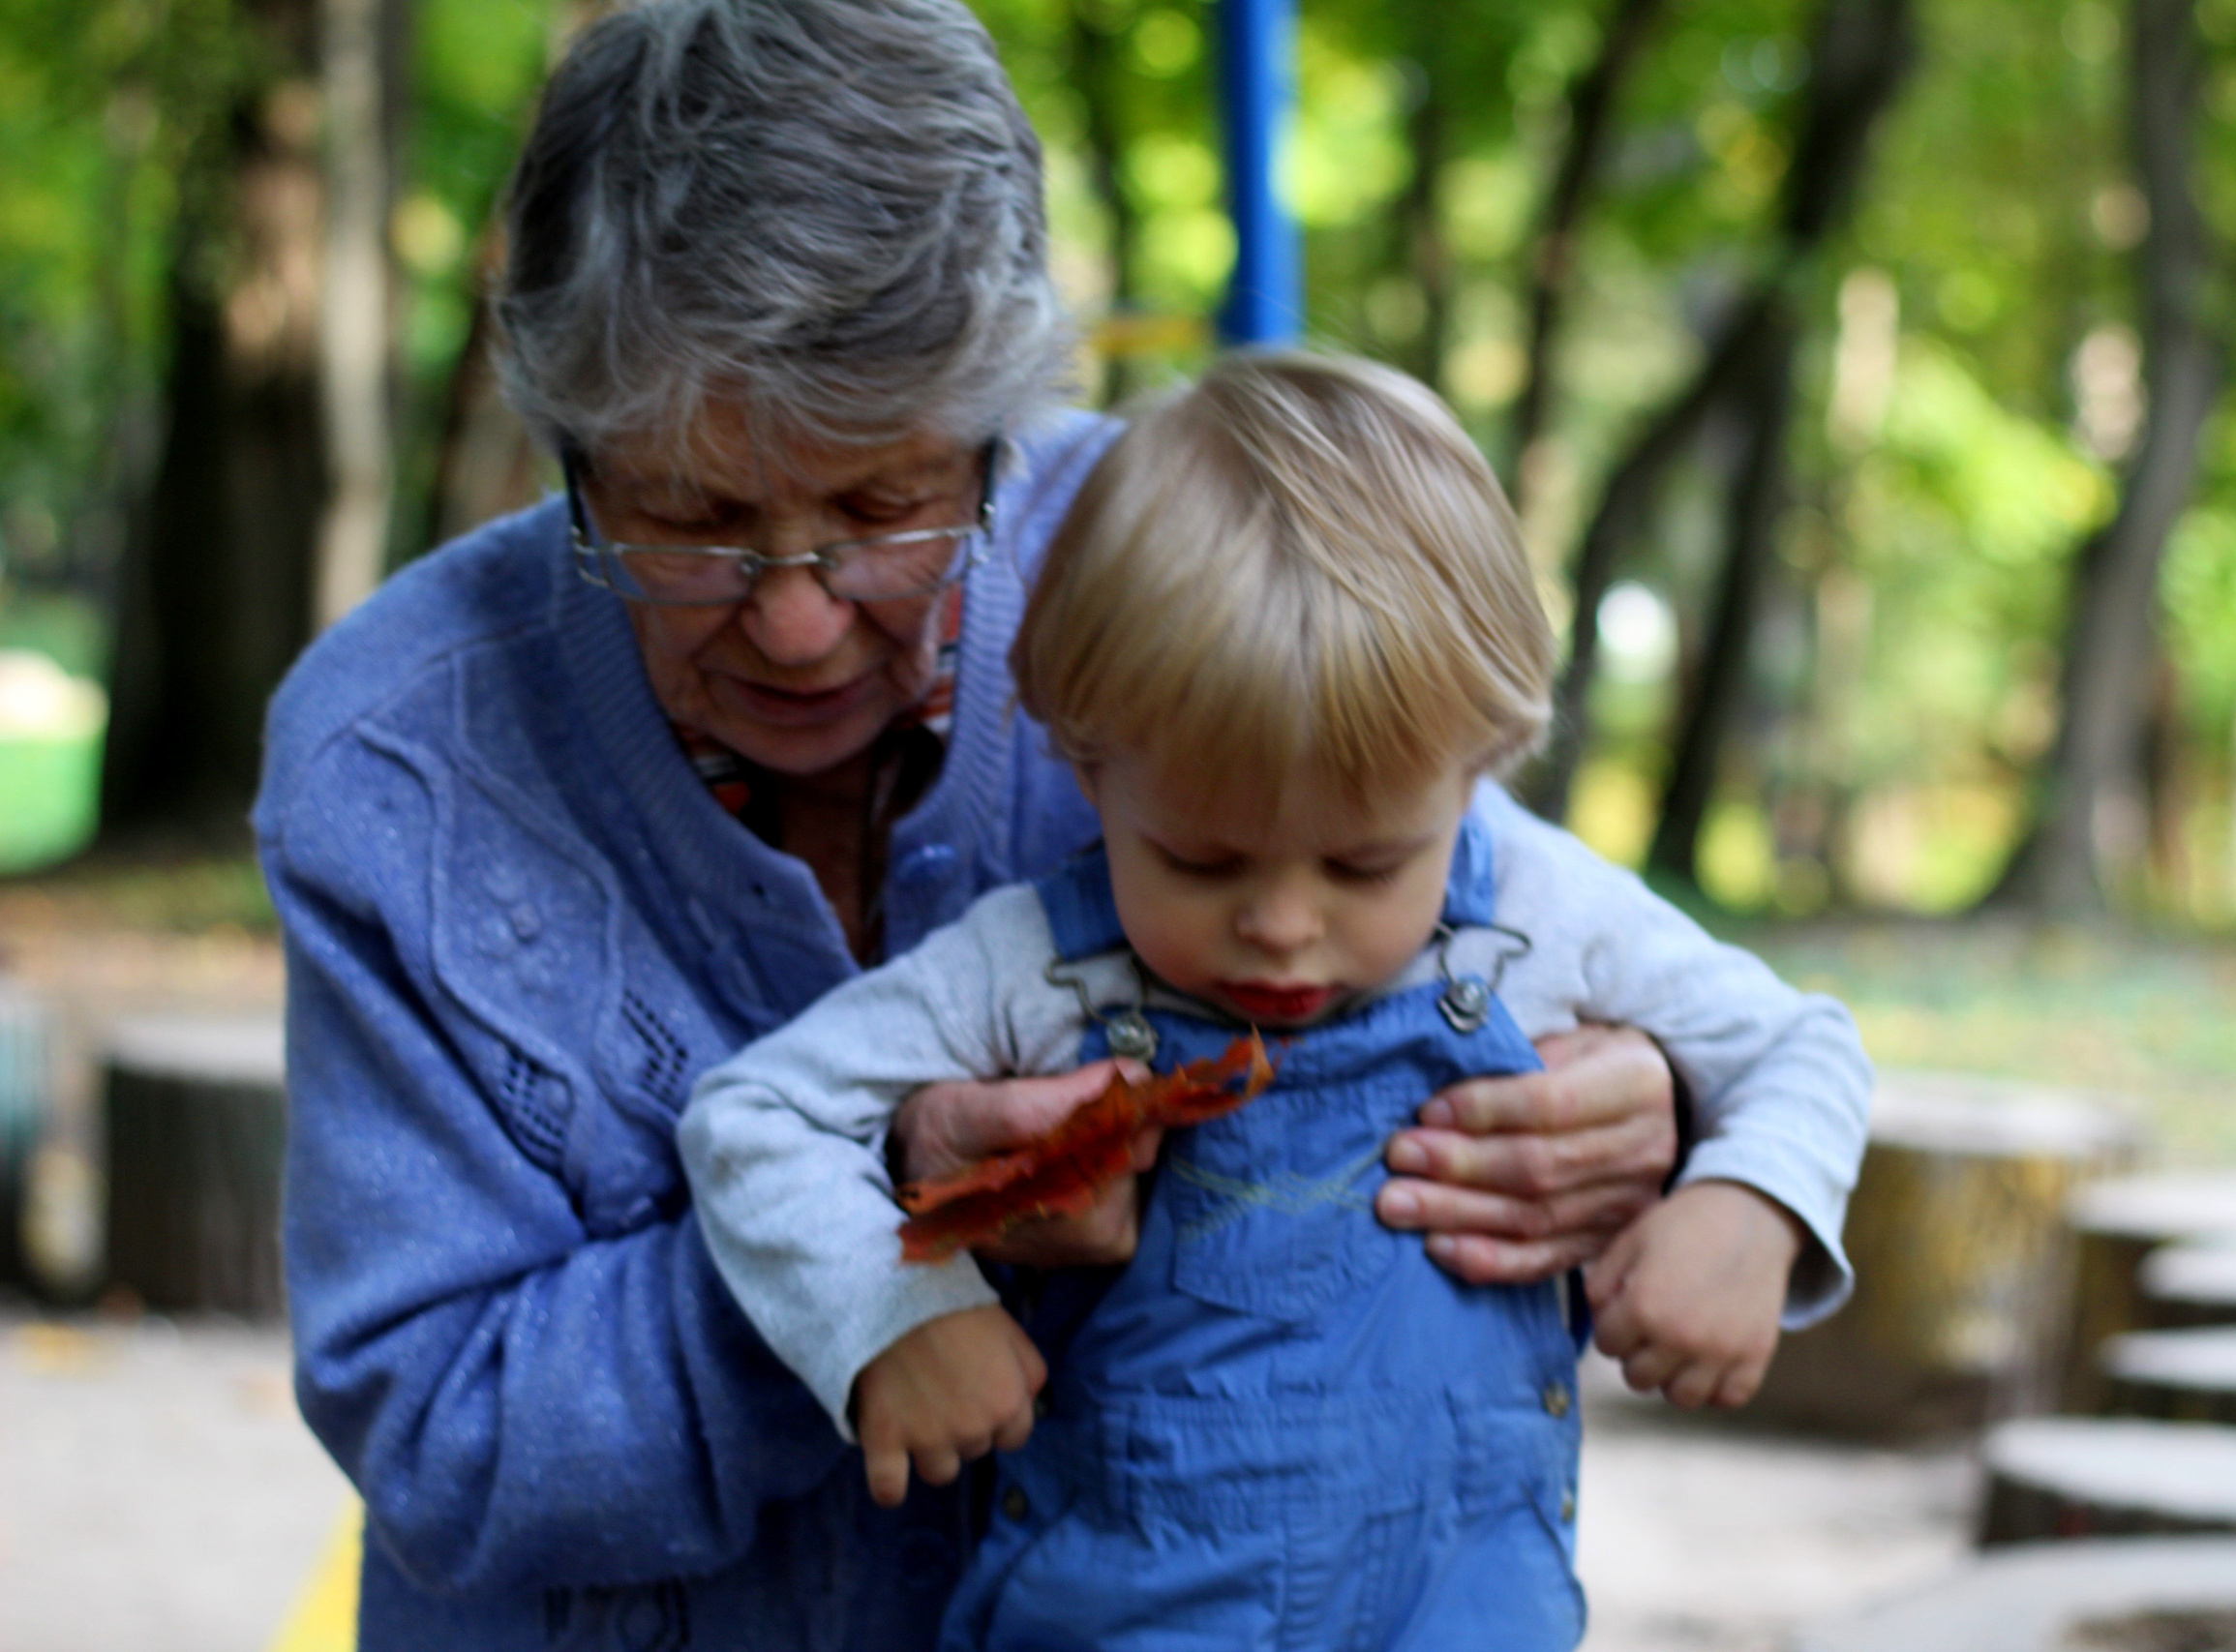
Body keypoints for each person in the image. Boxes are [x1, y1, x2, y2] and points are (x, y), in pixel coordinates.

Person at [255, 3, 1689, 1647]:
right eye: (694, 519)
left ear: (1008, 428)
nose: (798, 624)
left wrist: (1660, 1102)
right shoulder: (397, 758)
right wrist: (878, 1251)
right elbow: (439, 1431)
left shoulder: (1187, 563)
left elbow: (1464, 906)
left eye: (884, 505)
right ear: (568, 454)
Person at [679, 353, 1872, 1650]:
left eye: (1366, 864)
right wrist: (893, 1311)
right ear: (1086, 761)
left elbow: (1800, 1048)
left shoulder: (1536, 904)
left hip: (1463, 1615)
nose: (1284, 926)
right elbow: (754, 1118)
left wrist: (1752, 1204)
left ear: (1479, 769)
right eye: (1200, 860)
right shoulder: (1041, 963)